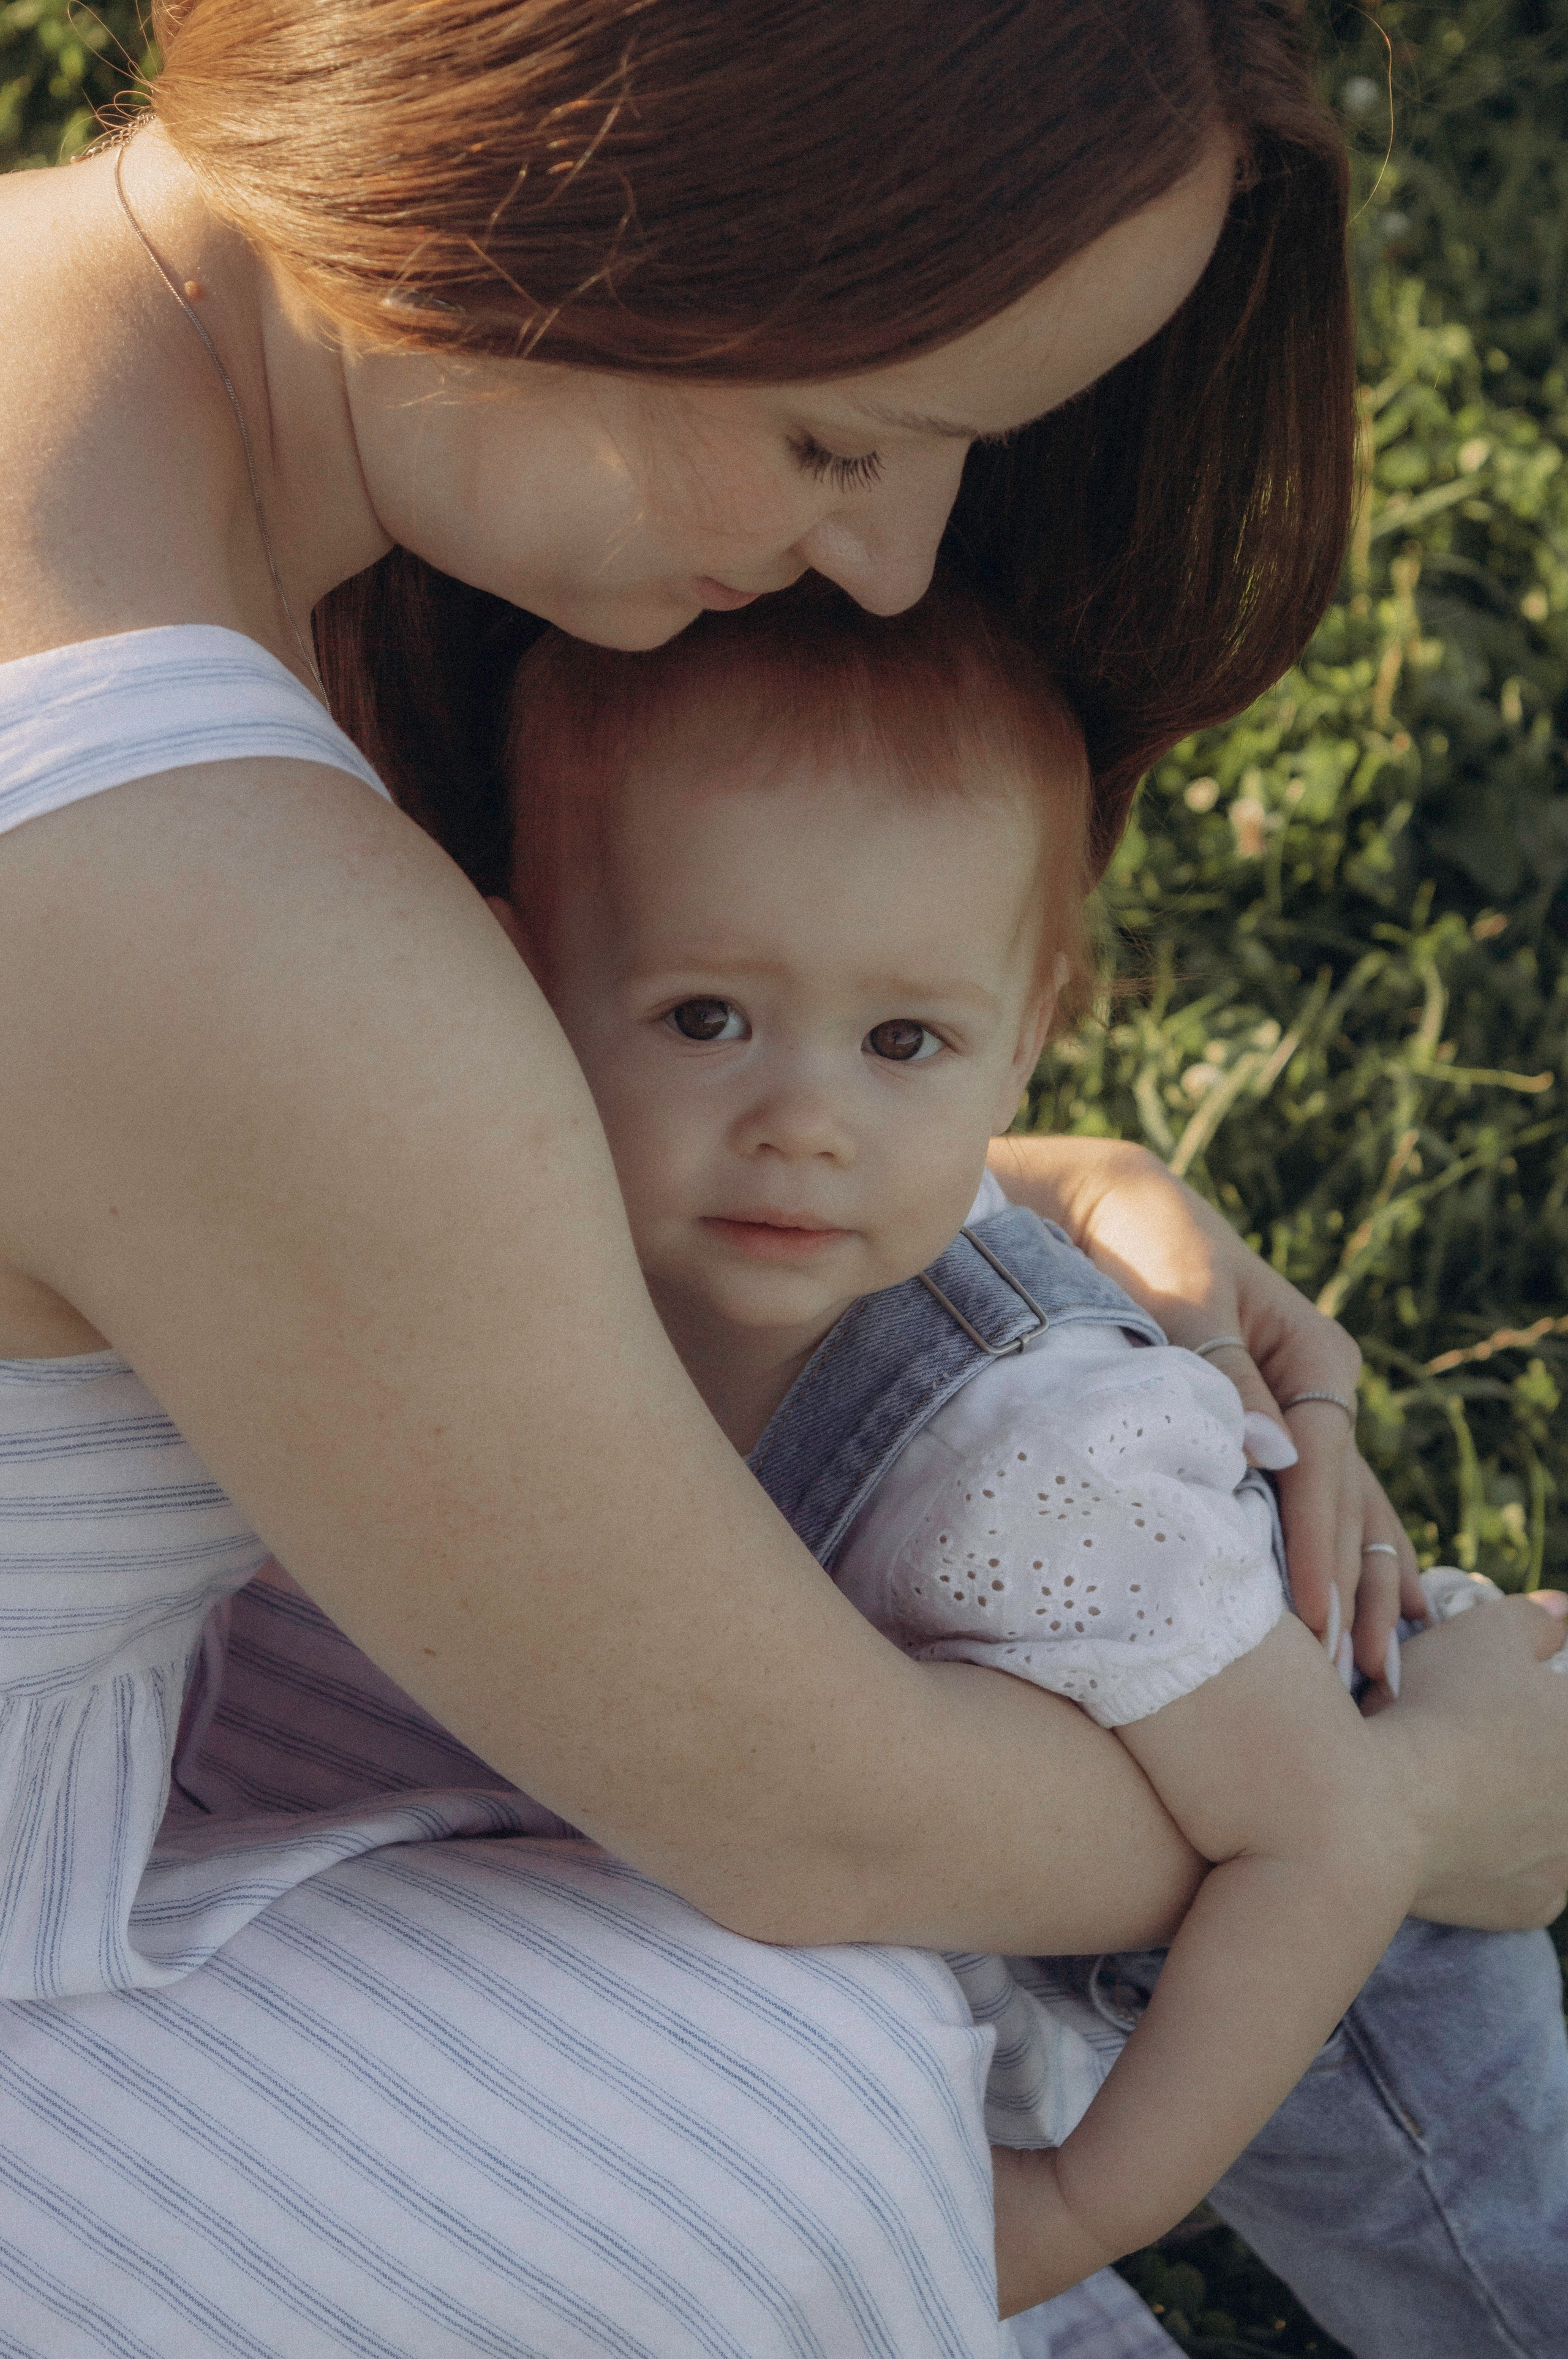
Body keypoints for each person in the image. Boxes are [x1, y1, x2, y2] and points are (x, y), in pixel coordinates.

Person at [1, 3, 1566, 2350]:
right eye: (845, 435)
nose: (897, 552)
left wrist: (1036, 1168)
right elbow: (804, 1812)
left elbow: (187, 1187)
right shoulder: (208, 885)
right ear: (558, 189)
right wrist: (1392, 1809)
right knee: (812, 2103)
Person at [486, 576, 1568, 2347]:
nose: (804, 1118)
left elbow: (1329, 1844)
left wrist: (1079, 2205)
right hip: (1043, 1852)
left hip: (1320, 1939)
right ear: (525, 971)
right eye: (704, 1017)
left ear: (1027, 1034)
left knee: (1490, 2281)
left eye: (903, 1042)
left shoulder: (1028, 1456)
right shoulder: (614, 1246)